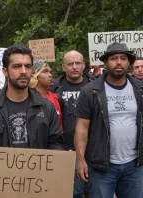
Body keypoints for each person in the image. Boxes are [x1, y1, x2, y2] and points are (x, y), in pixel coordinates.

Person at [75, 42, 143, 198]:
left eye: (123, 58)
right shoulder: (90, 91)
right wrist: (80, 161)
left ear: (129, 63)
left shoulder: (139, 89)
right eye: (113, 58)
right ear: (105, 62)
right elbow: (81, 129)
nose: (119, 62)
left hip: (135, 165)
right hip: (101, 166)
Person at [0, 45, 64, 150]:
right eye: (17, 66)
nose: (23, 71)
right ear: (5, 71)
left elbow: (56, 144)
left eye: (28, 66)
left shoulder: (47, 108)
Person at [49, 50, 93, 198]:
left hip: (92, 149)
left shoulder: (95, 86)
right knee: (71, 192)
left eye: (78, 63)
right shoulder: (53, 88)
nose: (74, 67)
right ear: (63, 66)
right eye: (70, 64)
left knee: (93, 191)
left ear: (84, 65)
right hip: (63, 148)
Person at [30, 60, 62, 129]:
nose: (50, 75)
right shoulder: (27, 99)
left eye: (50, 72)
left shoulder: (57, 98)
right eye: (45, 71)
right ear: (35, 75)